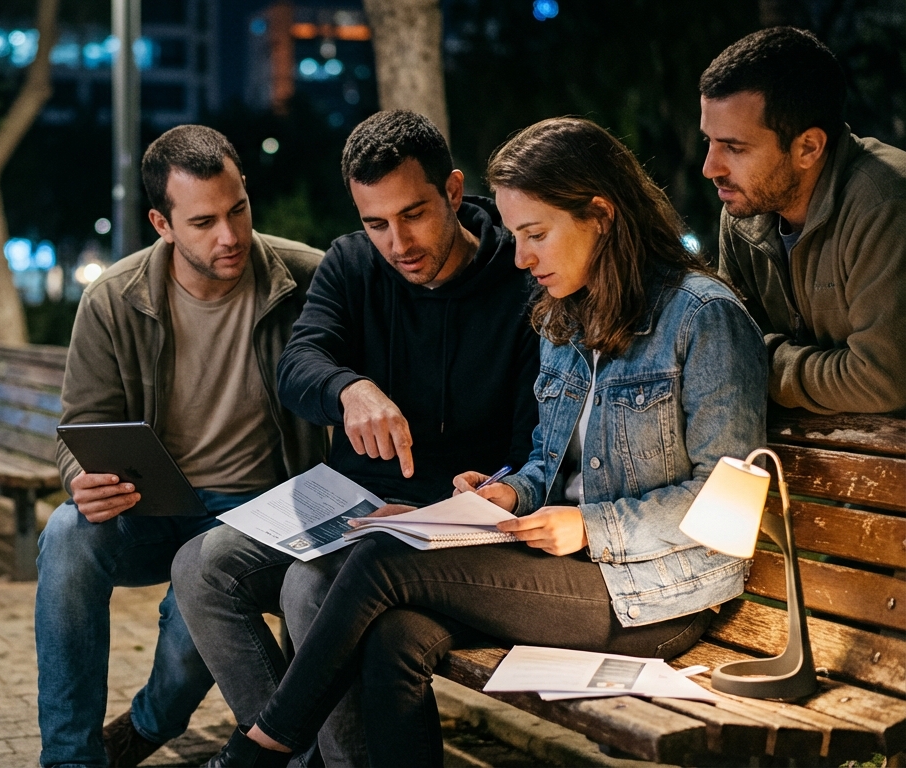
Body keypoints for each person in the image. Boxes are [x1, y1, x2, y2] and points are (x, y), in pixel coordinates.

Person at [202, 117, 769, 768]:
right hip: (564, 575)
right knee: (394, 635)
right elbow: (545, 463)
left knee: (383, 557)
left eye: (535, 235)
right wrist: (509, 491)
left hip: (651, 593)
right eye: (518, 236)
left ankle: (262, 748)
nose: (522, 258)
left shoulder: (702, 318)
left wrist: (589, 526)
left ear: (602, 215)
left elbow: (727, 504)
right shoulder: (564, 315)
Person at [171, 110, 539, 767]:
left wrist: (453, 507)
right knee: (200, 565)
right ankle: (294, 758)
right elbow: (298, 366)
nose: (397, 242)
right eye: (376, 223)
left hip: (452, 521)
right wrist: (349, 388)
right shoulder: (351, 263)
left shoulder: (521, 281)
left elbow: (532, 448)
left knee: (308, 589)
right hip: (346, 500)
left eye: (414, 214)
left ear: (453, 192)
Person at [35, 125, 326, 768]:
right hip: (153, 501)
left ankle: (147, 725)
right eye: (202, 222)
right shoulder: (114, 298)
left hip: (258, 515)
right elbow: (81, 425)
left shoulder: (306, 279)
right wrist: (80, 478)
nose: (229, 236)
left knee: (201, 582)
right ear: (161, 223)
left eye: (238, 210)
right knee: (66, 534)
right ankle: (69, 759)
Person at [701, 26, 906, 414]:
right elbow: (725, 350)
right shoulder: (745, 211)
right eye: (708, 141)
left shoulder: (886, 205)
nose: (710, 167)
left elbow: (883, 380)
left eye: (734, 147)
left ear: (808, 147)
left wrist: (762, 363)